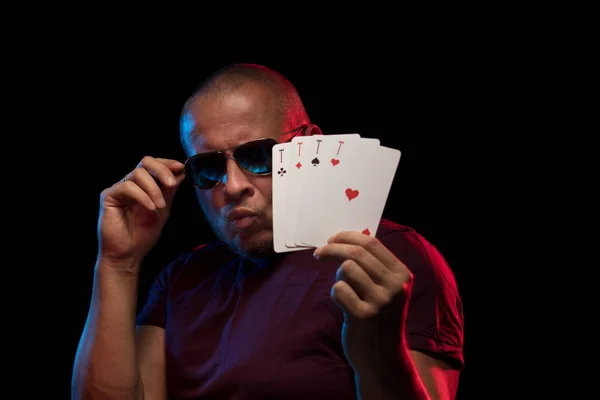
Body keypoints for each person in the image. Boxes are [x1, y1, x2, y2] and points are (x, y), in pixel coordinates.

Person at [71, 63, 464, 400]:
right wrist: (117, 263)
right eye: (208, 167)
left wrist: (379, 349)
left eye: (256, 155)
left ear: (309, 146)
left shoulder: (391, 259)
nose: (233, 185)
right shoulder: (181, 279)